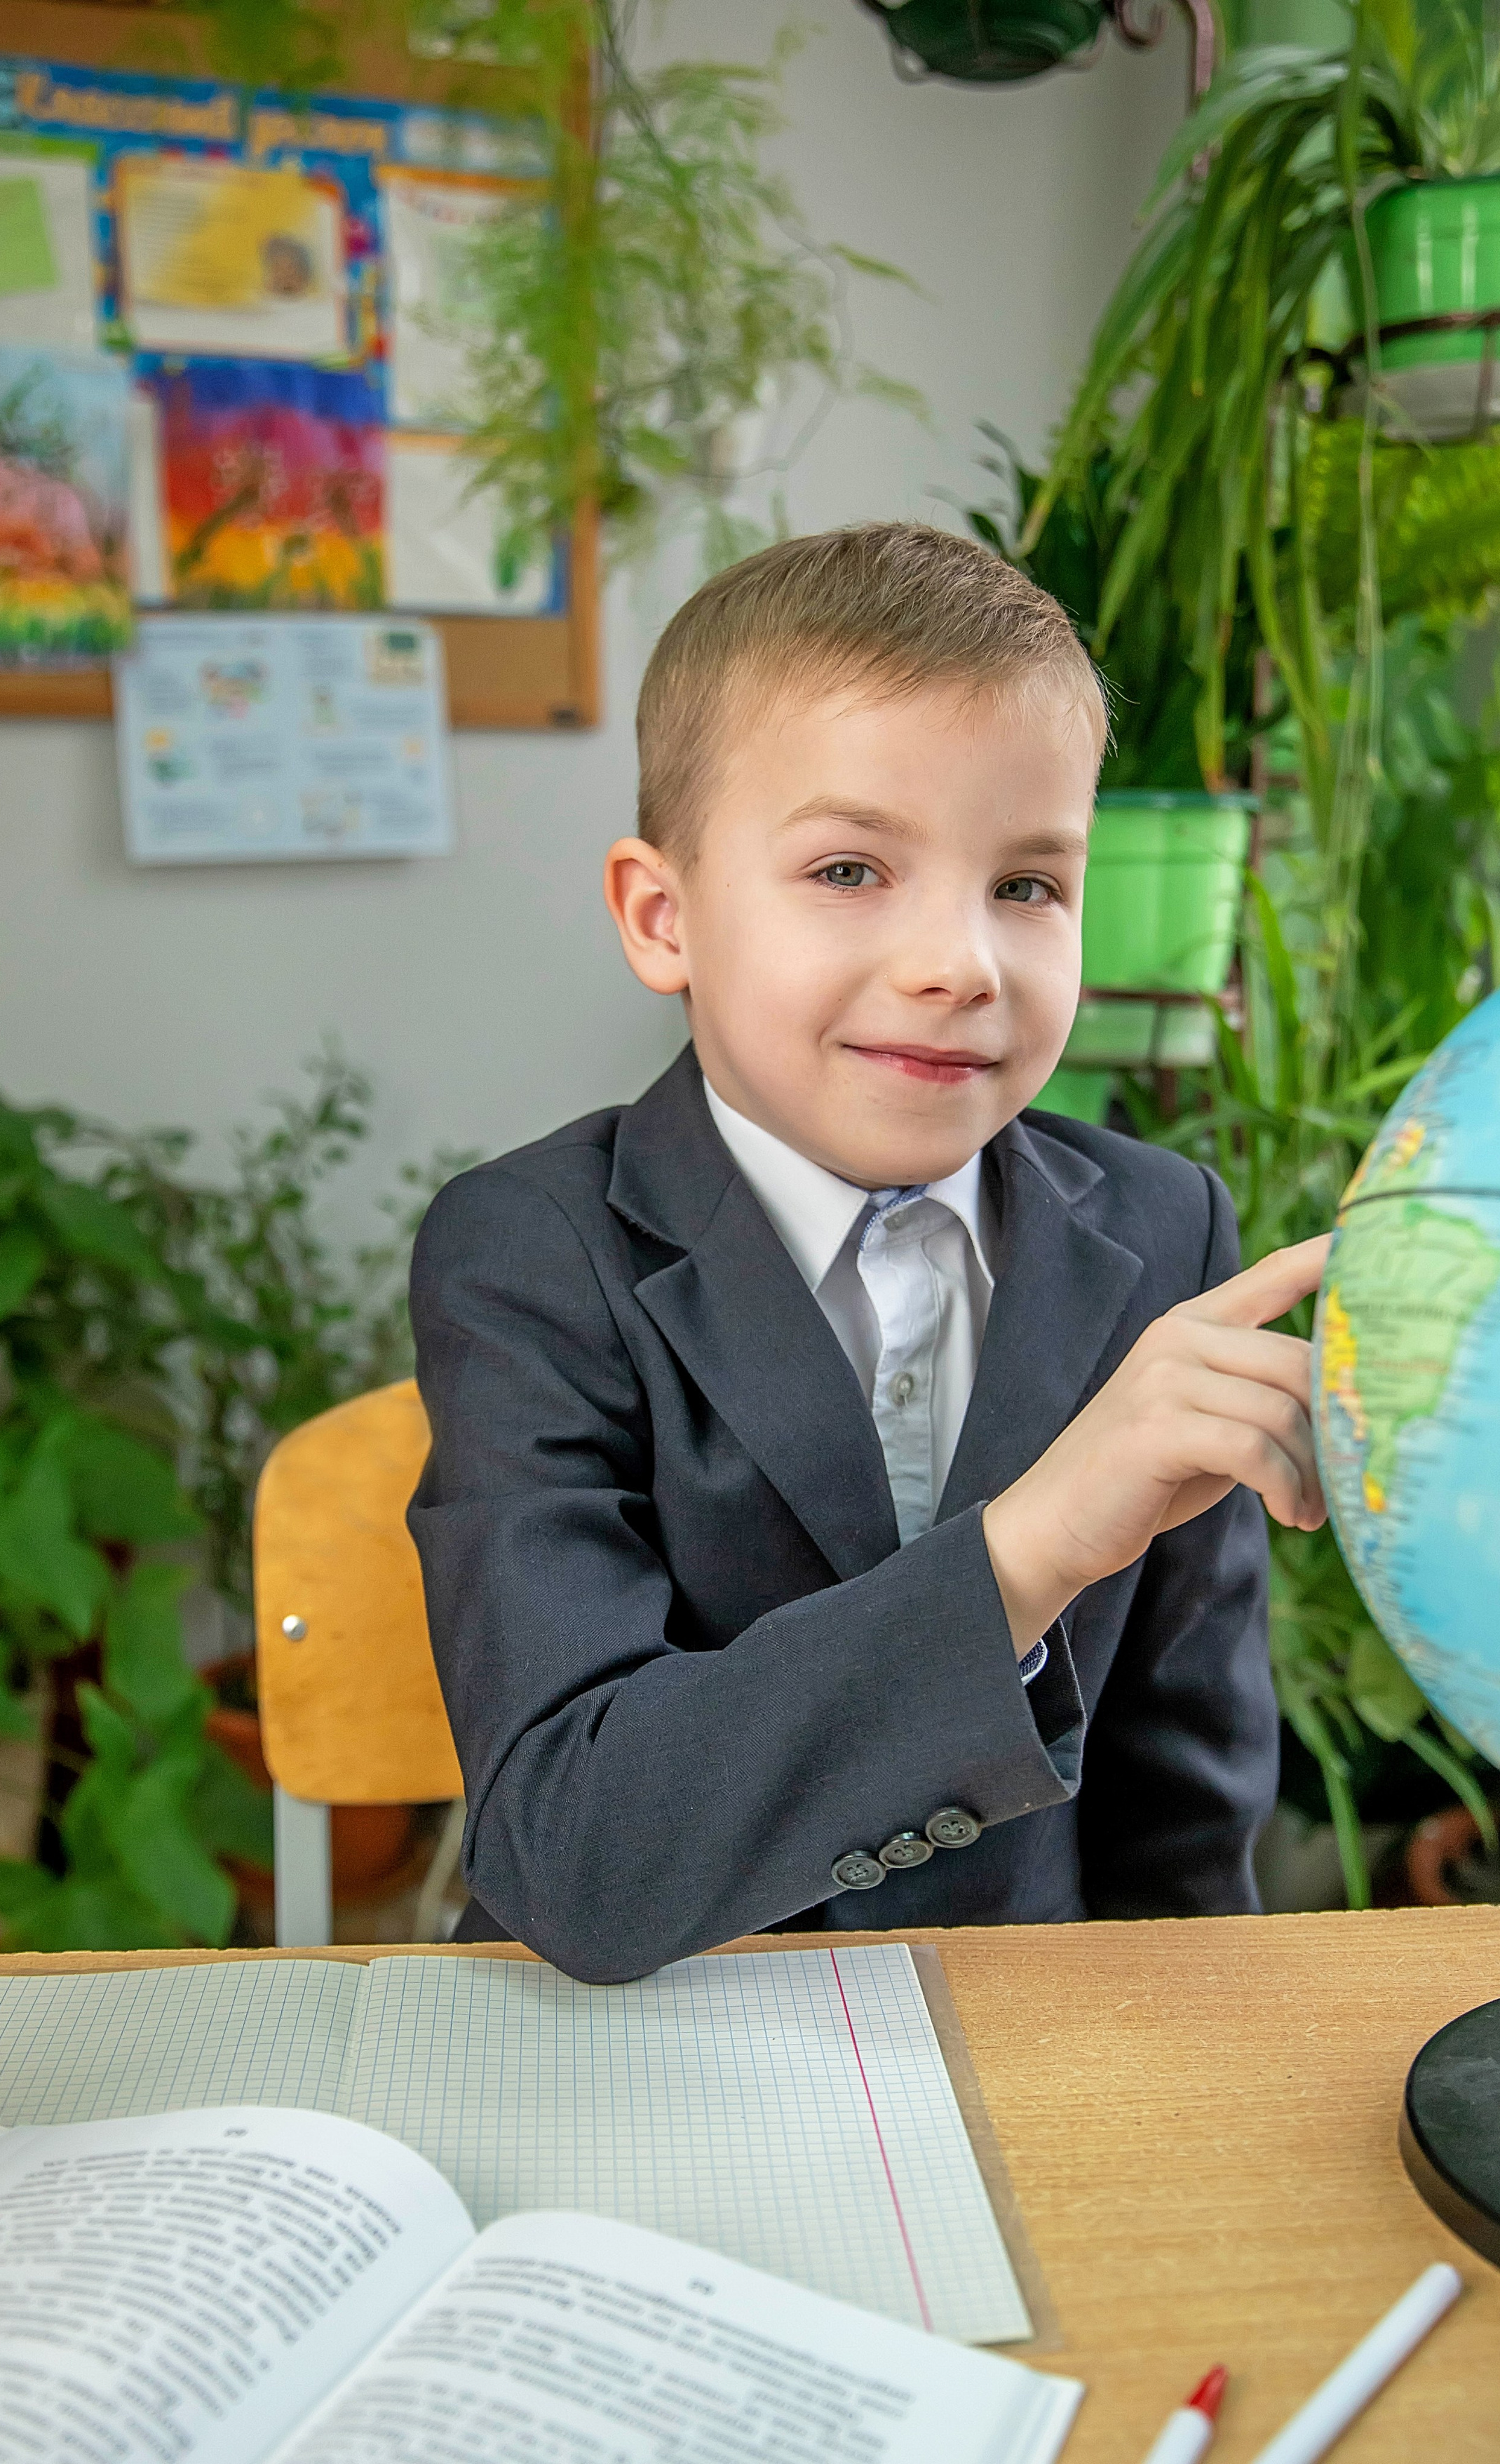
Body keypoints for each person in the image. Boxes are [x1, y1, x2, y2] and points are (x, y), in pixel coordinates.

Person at [408, 523, 1327, 1982]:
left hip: (1027, 2036)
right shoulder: (530, 1250)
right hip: (644, 2043)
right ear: (663, 916)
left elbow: (1183, 1819)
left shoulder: (1166, 1231)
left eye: (1027, 885)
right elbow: (575, 1850)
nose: (957, 962)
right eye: (849, 868)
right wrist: (1031, 1547)